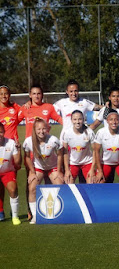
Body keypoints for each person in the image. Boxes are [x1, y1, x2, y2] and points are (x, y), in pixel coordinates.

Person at [23, 118, 64, 224]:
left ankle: (60, 212)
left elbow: (60, 155)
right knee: (32, 188)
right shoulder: (28, 141)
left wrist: (59, 171)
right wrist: (32, 171)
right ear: (34, 130)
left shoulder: (53, 140)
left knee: (60, 186)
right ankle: (35, 216)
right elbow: (27, 157)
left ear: (47, 129)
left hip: (53, 167)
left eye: (44, 129)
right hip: (39, 168)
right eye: (39, 129)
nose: (41, 131)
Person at [93, 110, 119, 184]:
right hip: (106, 162)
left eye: (116, 119)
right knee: (98, 182)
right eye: (111, 119)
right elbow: (96, 152)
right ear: (107, 121)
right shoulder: (101, 132)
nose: (114, 122)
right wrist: (100, 171)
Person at [0, 85, 21, 221]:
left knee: (11, 185)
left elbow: (27, 111)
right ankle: (1, 211)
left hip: (11, 149)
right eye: (1, 94)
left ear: (10, 95)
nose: (3, 96)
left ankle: (15, 213)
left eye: (6, 94)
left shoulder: (15, 108)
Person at [62, 110, 96, 184]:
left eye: (80, 119)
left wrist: (92, 168)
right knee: (69, 184)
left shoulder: (89, 132)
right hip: (73, 163)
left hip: (87, 162)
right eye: (75, 119)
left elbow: (95, 151)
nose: (77, 122)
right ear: (71, 120)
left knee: (92, 183)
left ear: (83, 120)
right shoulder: (67, 133)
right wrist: (67, 170)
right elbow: (65, 153)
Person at [0, 123, 22, 225]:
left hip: (7, 172)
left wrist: (18, 150)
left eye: (0, 132)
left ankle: (15, 216)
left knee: (13, 190)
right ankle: (1, 212)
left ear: (4, 132)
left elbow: (17, 164)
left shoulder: (11, 143)